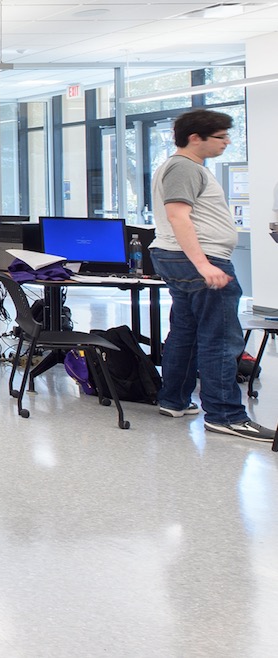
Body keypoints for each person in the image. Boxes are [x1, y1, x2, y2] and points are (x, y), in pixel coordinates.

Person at [150, 109, 273, 442]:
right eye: (220, 137)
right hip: (199, 260)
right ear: (195, 138)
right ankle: (226, 415)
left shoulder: (180, 167)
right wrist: (204, 265)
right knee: (219, 338)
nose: (227, 142)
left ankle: (174, 400)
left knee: (186, 331)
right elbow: (178, 217)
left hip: (180, 258)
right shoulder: (184, 167)